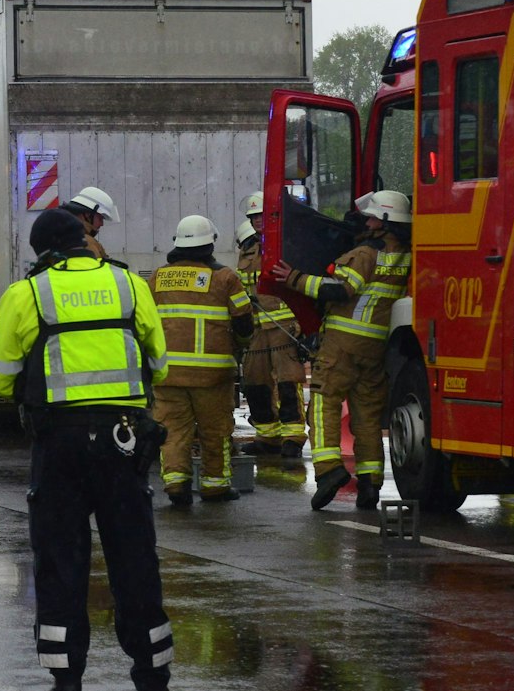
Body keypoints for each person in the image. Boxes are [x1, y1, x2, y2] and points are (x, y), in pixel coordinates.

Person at [0, 207, 174, 691]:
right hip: (125, 440)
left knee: (61, 561)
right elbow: (159, 362)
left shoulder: (28, 294)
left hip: (61, 444)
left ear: (41, 251)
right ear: (85, 242)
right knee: (134, 558)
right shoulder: (130, 286)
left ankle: (66, 685)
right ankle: (152, 680)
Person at [274, 190, 412, 511]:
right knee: (366, 418)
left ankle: (328, 470)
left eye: (372, 216)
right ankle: (370, 483)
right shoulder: (406, 255)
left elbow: (339, 288)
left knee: (323, 403)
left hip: (343, 346)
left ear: (386, 221)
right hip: (376, 349)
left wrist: (293, 278)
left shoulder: (366, 253)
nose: (366, 220)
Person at [150, 215, 256, 505]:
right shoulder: (225, 278)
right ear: (209, 244)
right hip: (212, 376)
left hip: (168, 373)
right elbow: (244, 321)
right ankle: (214, 486)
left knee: (172, 431)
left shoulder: (158, 277)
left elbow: (145, 320)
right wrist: (242, 346)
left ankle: (176, 486)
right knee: (215, 430)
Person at [235, 217, 308, 461]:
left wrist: (302, 321)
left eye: (261, 216)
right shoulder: (247, 250)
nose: (258, 221)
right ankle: (267, 437)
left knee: (288, 382)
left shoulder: (286, 246)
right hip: (257, 329)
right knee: (255, 383)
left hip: (283, 326)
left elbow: (298, 284)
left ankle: (293, 439)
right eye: (254, 218)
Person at [60, 186, 119, 261]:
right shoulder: (85, 242)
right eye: (100, 218)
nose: (102, 224)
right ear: (87, 215)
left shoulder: (62, 235)